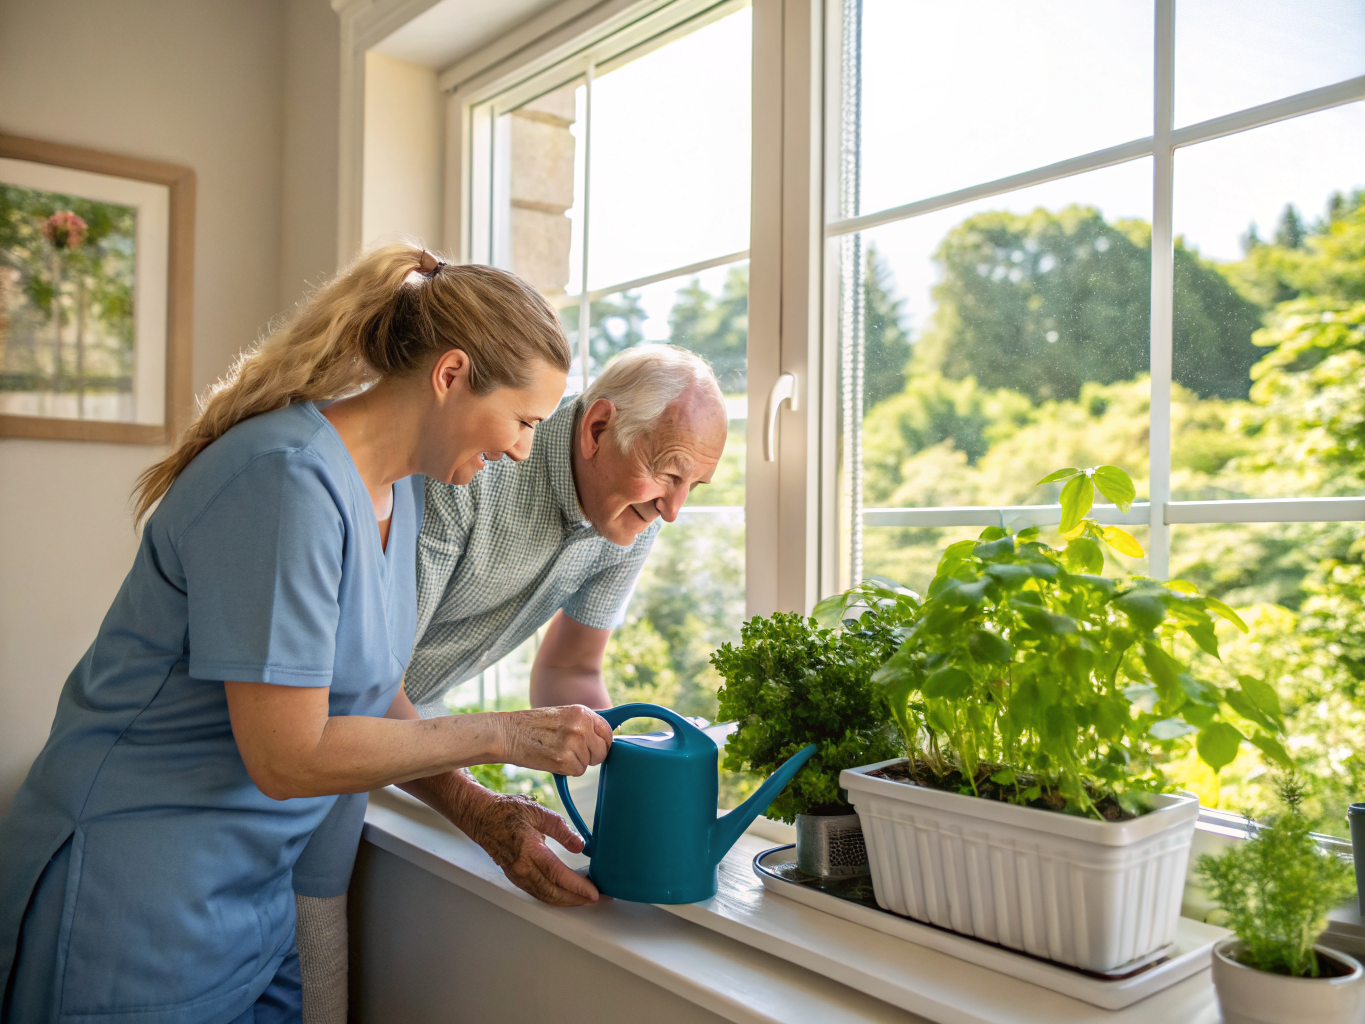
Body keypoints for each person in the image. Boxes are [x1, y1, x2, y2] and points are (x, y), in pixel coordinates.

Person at [0, 244, 615, 1024]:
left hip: (252, 901)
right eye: (524, 421)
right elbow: (287, 756)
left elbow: (368, 693)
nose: (524, 449)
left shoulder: (400, 492)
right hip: (131, 895)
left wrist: (474, 808)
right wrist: (501, 733)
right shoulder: (284, 480)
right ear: (451, 374)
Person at [293, 345, 729, 1021]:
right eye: (668, 473)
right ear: (596, 428)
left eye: (692, 488)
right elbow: (374, 675)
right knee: (297, 989)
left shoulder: (630, 520)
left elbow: (570, 670)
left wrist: (638, 804)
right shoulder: (471, 464)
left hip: (378, 735)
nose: (673, 510)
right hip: (327, 725)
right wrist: (474, 807)